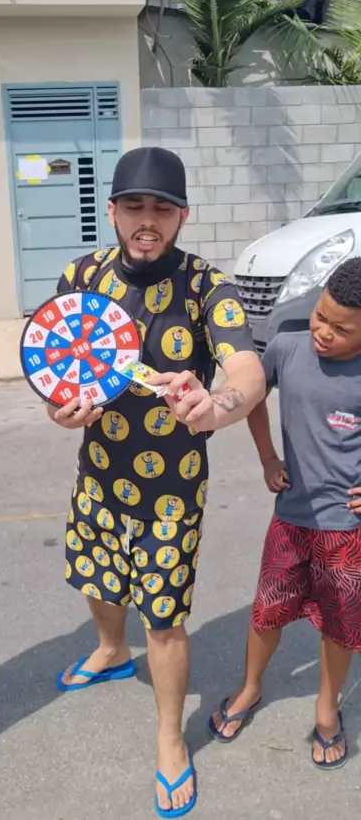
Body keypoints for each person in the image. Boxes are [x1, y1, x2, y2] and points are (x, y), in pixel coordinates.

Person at [48, 147, 265, 816]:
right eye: (135, 206)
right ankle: (112, 649)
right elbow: (56, 366)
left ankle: (170, 739)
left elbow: (248, 371)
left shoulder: (206, 286)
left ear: (182, 216)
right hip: (99, 475)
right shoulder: (82, 276)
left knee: (164, 618)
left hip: (172, 489)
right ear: (112, 211)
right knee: (98, 581)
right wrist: (61, 410)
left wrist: (216, 405)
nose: (148, 221)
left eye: (162, 209)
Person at [209, 256, 361, 771]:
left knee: (340, 625)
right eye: (321, 315)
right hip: (291, 520)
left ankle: (326, 709)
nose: (324, 331)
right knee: (266, 611)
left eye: (342, 329)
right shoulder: (287, 347)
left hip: (347, 529)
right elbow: (252, 395)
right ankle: (250, 687)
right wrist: (268, 457)